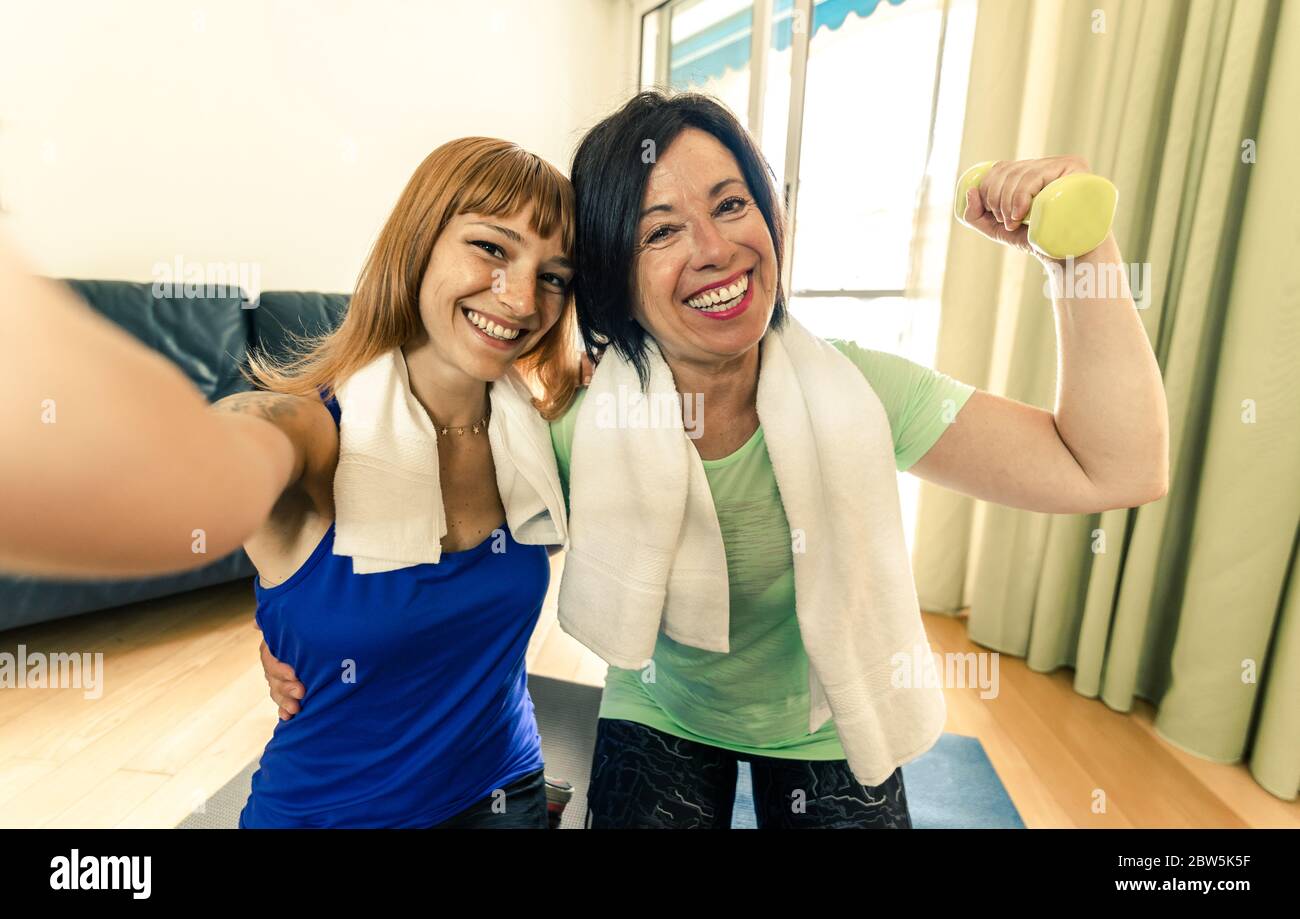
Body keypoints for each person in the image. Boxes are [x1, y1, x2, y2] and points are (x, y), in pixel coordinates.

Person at [264, 91, 1169, 829]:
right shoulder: (570, 426)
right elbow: (344, 529)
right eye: (661, 230)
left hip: (826, 708)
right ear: (616, 276)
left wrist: (1078, 251)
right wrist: (274, 631)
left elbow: (1111, 467)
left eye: (731, 204)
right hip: (663, 705)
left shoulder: (857, 391)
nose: (714, 248)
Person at [0, 136, 582, 828]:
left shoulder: (539, 435)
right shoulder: (311, 435)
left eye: (553, 276)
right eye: (491, 247)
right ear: (419, 244)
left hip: (505, 789)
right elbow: (196, 472)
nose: (521, 297)